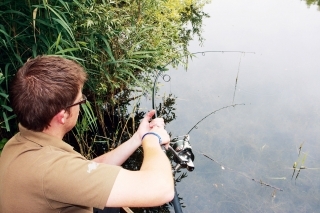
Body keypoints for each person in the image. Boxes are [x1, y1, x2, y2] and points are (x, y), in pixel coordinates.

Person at [0, 55, 174, 213]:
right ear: (63, 115)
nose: (81, 105)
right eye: (80, 101)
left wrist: (138, 138)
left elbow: (85, 170)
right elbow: (161, 189)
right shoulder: (51, 172)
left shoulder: (17, 144)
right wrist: (153, 139)